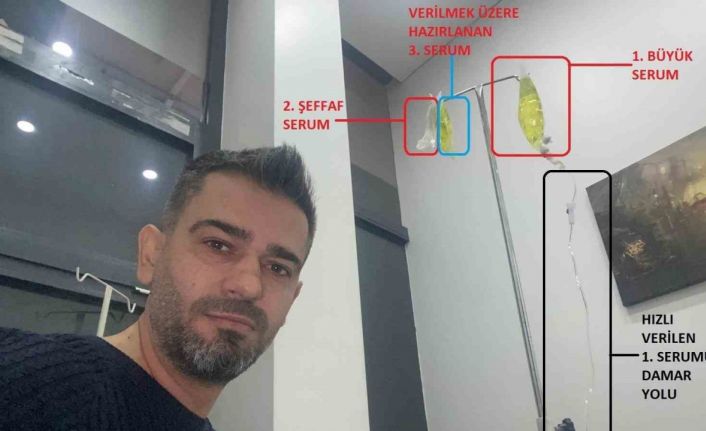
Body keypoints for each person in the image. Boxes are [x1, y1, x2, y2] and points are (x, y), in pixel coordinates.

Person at [0, 145, 317, 431]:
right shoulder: (25, 381)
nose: (249, 285)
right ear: (151, 255)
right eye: (218, 245)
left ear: (292, 300)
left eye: (278, 268)